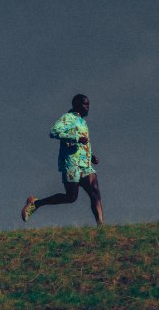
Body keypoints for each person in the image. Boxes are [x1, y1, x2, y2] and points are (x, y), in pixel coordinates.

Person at [21, 94, 104, 225]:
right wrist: (76, 138)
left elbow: (83, 142)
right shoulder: (68, 118)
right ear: (76, 104)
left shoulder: (83, 122)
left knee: (95, 191)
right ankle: (35, 203)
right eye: (85, 104)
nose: (88, 107)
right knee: (71, 197)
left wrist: (91, 155)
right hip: (71, 164)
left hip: (85, 164)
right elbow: (54, 132)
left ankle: (101, 225)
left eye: (88, 105)